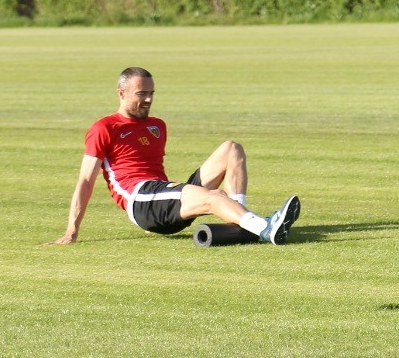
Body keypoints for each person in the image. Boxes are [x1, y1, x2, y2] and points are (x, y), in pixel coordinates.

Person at [53, 67, 300, 245]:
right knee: (214, 196)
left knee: (231, 148)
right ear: (121, 93)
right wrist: (72, 230)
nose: (148, 99)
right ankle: (264, 228)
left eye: (151, 93)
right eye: (141, 94)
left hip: (161, 194)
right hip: (141, 200)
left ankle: (240, 224)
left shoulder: (157, 126)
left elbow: (156, 170)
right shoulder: (104, 128)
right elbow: (86, 181)